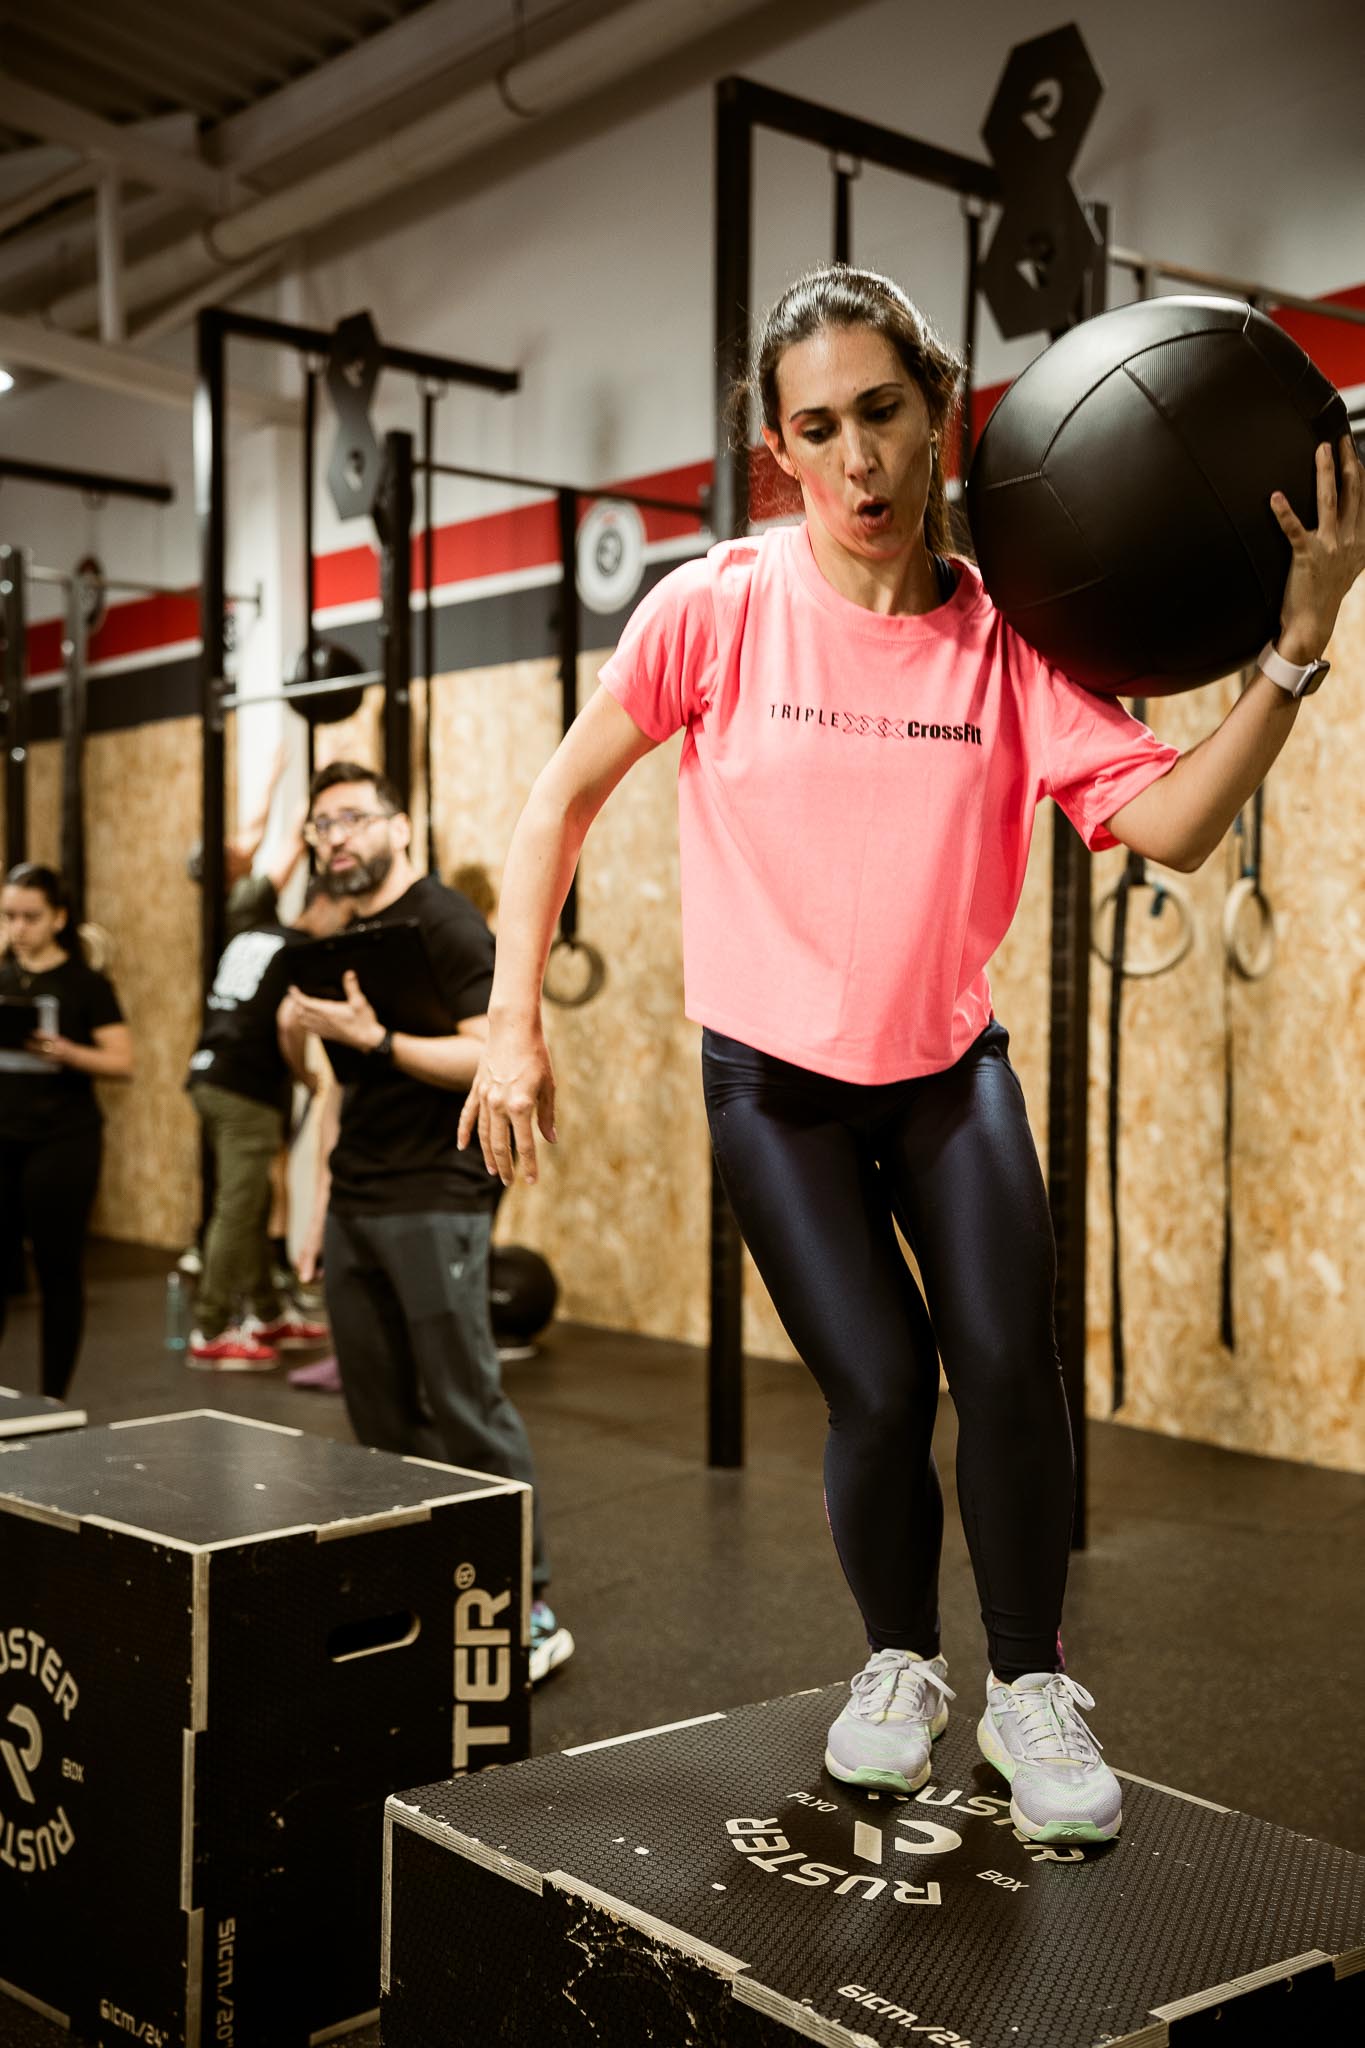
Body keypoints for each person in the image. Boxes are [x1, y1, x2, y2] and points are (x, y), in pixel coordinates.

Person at [458, 265, 1364, 1843]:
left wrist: (1294, 650)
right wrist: (510, 1023)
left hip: (948, 1073)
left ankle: (1028, 1689)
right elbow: (558, 801)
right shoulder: (717, 607)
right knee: (881, 1392)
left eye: (881, 412)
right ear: (778, 450)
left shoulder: (1012, 640)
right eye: (816, 429)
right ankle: (898, 1663)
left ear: (942, 411)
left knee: (1009, 1373)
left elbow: (1171, 823)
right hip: (774, 1088)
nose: (858, 458)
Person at [287, 762, 573, 1684]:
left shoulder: (446, 923)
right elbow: (338, 1089)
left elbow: (495, 1054)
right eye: (320, 826)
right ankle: (419, 1586)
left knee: (464, 1406)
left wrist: (376, 1040)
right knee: (377, 1418)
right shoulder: (348, 934)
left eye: (351, 819)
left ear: (400, 825)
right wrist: (317, 1208)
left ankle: (527, 1603)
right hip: (358, 1200)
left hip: (435, 1194)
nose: (334, 839)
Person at [185, 878, 345, 1368]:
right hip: (245, 1089)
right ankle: (210, 1326)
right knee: (238, 1205)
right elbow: (288, 1022)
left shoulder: (252, 936)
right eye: (346, 913)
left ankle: (269, 1312)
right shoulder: (302, 951)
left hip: (209, 1074)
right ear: (323, 903)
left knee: (253, 1201)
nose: (346, 926)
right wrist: (305, 1074)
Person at [0, 863, 134, 1399]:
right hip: (3, 1136)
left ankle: (54, 1398)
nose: (18, 927)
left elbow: (122, 1061)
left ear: (58, 918)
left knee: (58, 1268)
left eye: (30, 917)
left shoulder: (86, 984)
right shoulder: (2, 975)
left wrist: (68, 1052)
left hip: (63, 1139)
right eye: (9, 916)